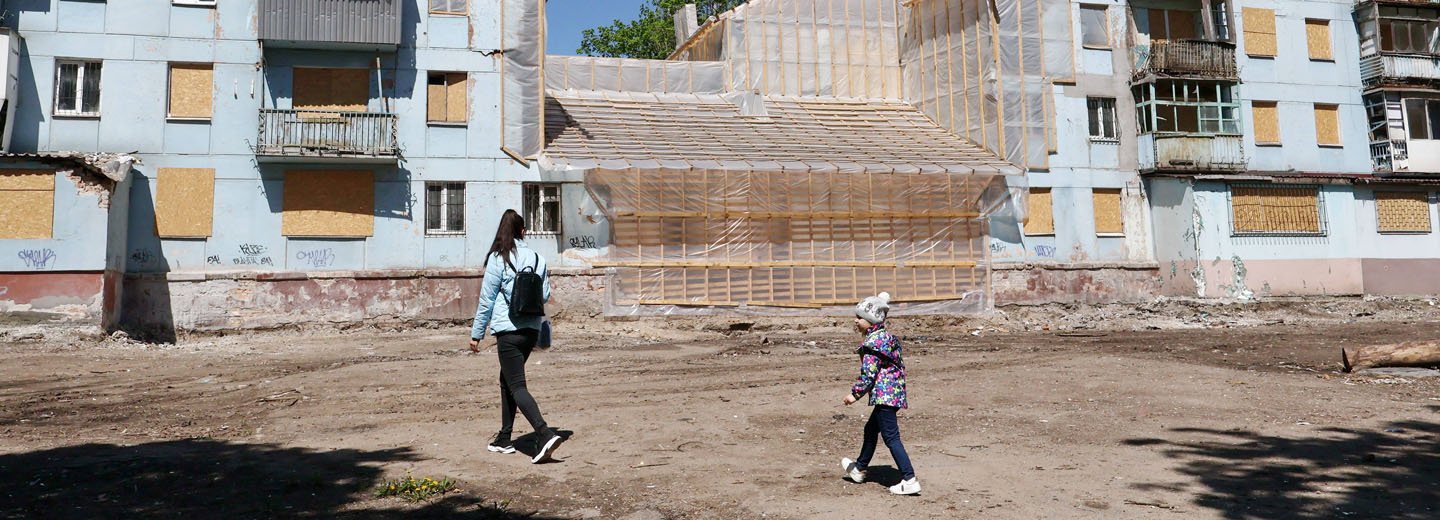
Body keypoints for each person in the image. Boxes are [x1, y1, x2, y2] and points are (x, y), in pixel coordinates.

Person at [470, 209, 565, 464]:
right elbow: (544, 296)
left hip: (508, 331)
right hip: (531, 331)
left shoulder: (498, 259)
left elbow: (487, 300)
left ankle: (544, 434)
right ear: (523, 231)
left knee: (517, 385)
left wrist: (476, 333)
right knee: (507, 381)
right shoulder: (538, 258)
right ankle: (504, 438)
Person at [840, 292, 921, 495]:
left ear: (871, 320)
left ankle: (909, 478)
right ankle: (859, 468)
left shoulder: (872, 345)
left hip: (885, 396)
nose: (855, 321)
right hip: (892, 394)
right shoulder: (885, 338)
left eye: (859, 318)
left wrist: (854, 394)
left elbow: (869, 374)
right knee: (870, 430)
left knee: (891, 437)